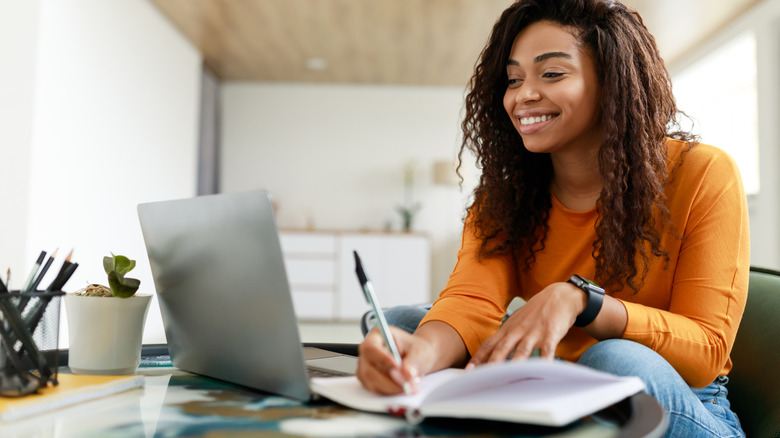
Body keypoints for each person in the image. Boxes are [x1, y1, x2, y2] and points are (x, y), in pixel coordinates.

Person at [356, 0, 749, 437]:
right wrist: (421, 356)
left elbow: (707, 352)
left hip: (682, 401)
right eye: (513, 79)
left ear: (612, 83)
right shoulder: (506, 197)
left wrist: (583, 302)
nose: (523, 95)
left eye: (552, 74)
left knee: (614, 359)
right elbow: (471, 300)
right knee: (404, 325)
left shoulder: (703, 173)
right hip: (557, 383)